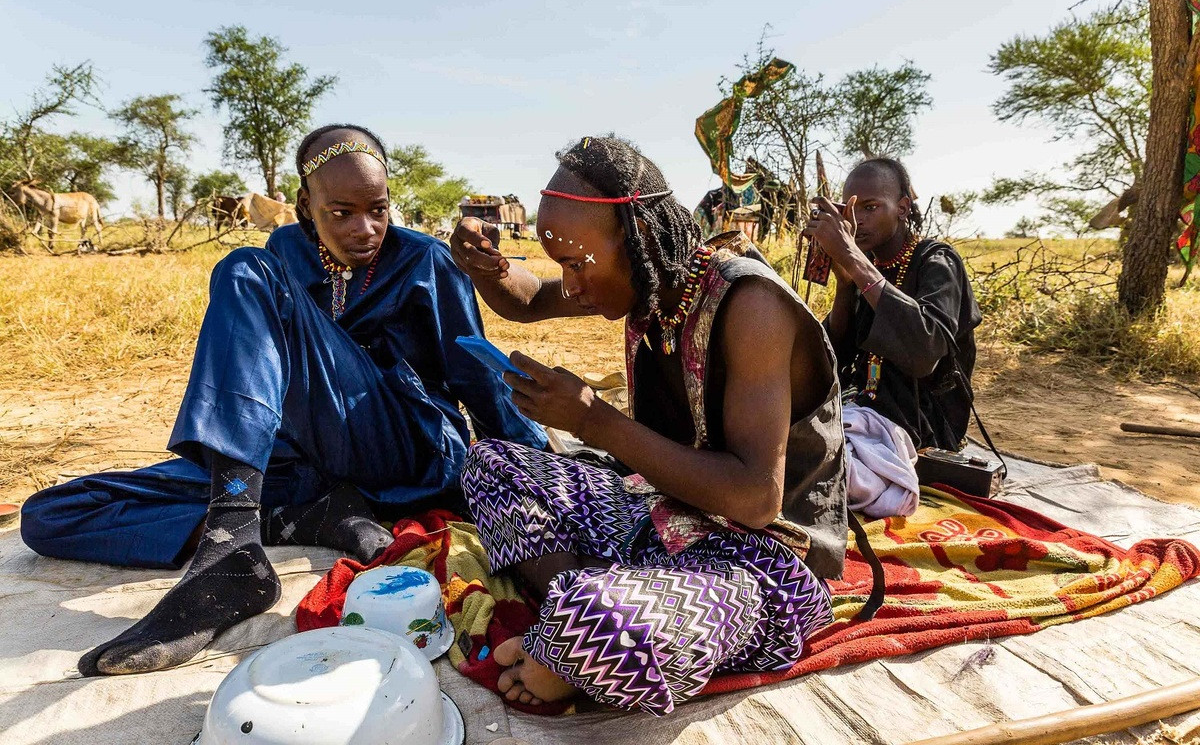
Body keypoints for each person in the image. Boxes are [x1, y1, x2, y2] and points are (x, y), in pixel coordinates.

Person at [21, 123, 546, 677]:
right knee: (52, 515)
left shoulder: (424, 262)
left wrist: (536, 463)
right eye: (341, 212)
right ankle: (298, 521)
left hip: (400, 448)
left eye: (378, 209)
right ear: (304, 205)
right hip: (301, 462)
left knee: (241, 269)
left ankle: (229, 547)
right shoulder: (285, 254)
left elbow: (476, 376)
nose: (365, 229)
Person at [449, 136, 845, 716]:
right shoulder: (648, 282)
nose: (574, 286)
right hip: (660, 511)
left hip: (761, 558)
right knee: (490, 463)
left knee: (599, 626)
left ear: (638, 243)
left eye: (579, 265)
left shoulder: (750, 305)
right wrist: (484, 268)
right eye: (564, 267)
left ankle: (584, 622)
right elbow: (528, 300)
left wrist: (595, 421)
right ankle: (581, 610)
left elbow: (757, 500)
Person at [807, 157, 982, 456]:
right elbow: (834, 355)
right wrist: (845, 284)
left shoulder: (937, 261)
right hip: (862, 409)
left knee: (814, 458)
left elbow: (924, 351)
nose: (857, 220)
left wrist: (853, 259)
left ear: (901, 208)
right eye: (851, 209)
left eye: (870, 207)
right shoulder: (870, 267)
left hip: (924, 426)